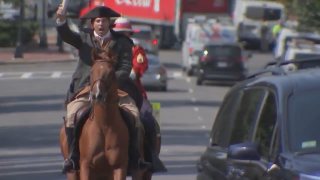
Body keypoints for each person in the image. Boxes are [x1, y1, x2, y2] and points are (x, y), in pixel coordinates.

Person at [55, 5, 152, 173]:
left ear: (110, 23)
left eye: (104, 21)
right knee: (71, 116)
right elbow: (66, 35)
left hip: (116, 89)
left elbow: (126, 66)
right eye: (98, 21)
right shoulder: (84, 37)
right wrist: (62, 19)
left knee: (135, 115)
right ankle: (72, 158)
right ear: (92, 24)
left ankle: (136, 158)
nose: (101, 24)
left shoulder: (122, 42)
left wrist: (112, 81)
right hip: (85, 89)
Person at [112, 16, 167, 172]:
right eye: (118, 33)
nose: (121, 36)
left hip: (132, 91)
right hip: (108, 91)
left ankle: (150, 156)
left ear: (130, 34)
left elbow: (137, 70)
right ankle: (77, 155)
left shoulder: (136, 49)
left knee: (147, 119)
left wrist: (118, 74)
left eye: (124, 33)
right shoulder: (107, 48)